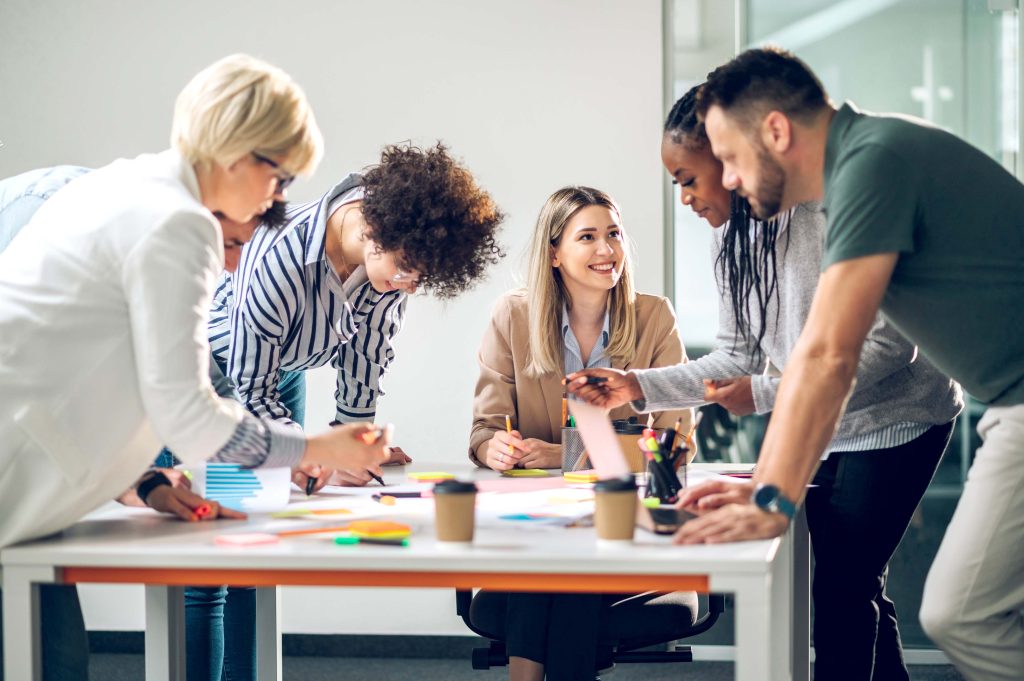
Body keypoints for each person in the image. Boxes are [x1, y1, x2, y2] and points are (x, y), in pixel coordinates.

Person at [600, 47, 1024, 680]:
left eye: (731, 160)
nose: (731, 180)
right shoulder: (862, 167)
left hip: (959, 413)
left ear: (774, 131)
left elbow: (830, 357)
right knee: (945, 610)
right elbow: (815, 355)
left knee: (959, 615)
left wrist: (771, 497)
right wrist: (767, 480)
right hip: (1007, 404)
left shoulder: (873, 168)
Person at [0, 54, 391, 681]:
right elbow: (190, 422)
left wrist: (143, 483)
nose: (279, 197)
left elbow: (91, 357)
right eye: (280, 174)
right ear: (240, 153)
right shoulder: (179, 223)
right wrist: (323, 447)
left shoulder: (131, 184)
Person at [192, 141, 505, 680]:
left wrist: (349, 441)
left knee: (256, 548)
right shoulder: (281, 257)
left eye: (420, 277)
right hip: (215, 381)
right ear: (367, 230)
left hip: (280, 376)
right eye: (406, 270)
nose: (409, 283)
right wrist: (314, 456)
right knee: (208, 554)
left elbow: (367, 353)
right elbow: (249, 383)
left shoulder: (396, 255)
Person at [468, 186, 695, 681]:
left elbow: (674, 445)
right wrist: (496, 448)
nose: (606, 250)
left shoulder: (654, 317)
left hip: (628, 528)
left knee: (562, 570)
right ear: (554, 254)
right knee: (556, 563)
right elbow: (484, 428)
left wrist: (563, 455)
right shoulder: (514, 316)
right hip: (540, 525)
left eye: (613, 234)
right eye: (587, 236)